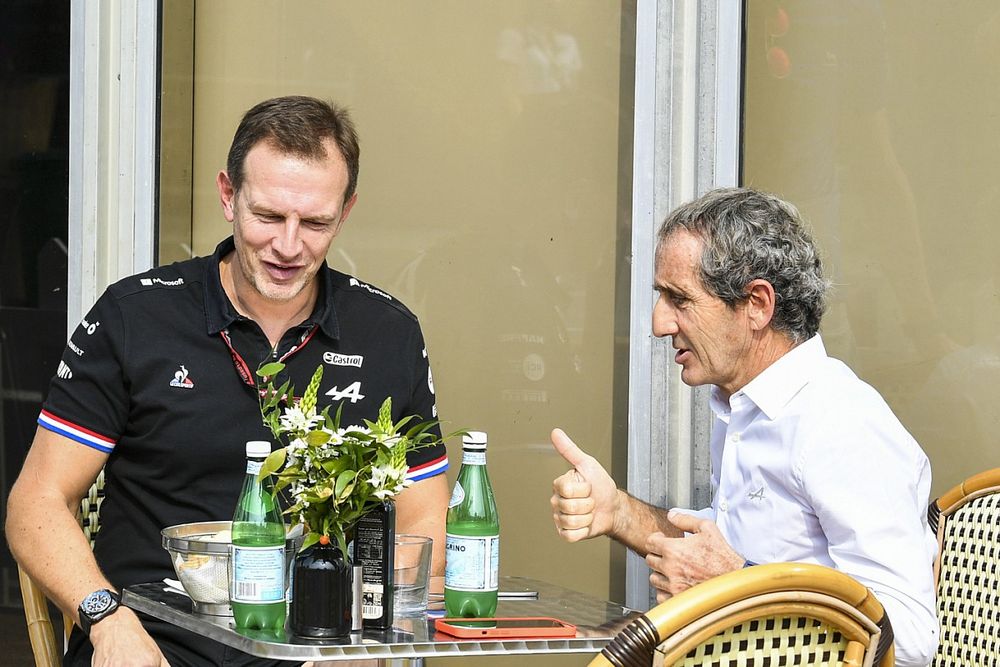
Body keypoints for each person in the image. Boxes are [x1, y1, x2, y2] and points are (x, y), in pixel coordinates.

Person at [6, 96, 450, 666]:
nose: (288, 246)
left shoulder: (388, 334)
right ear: (227, 196)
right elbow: (36, 503)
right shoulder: (134, 317)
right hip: (158, 644)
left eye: (315, 222)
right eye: (267, 216)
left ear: (344, 213)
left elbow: (423, 525)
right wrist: (105, 618)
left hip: (320, 647)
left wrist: (370, 639)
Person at [550, 187, 939, 666]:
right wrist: (617, 512)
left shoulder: (841, 424)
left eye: (679, 299)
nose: (658, 323)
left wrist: (736, 585)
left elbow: (912, 640)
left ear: (756, 304)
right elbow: (722, 555)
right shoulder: (745, 409)